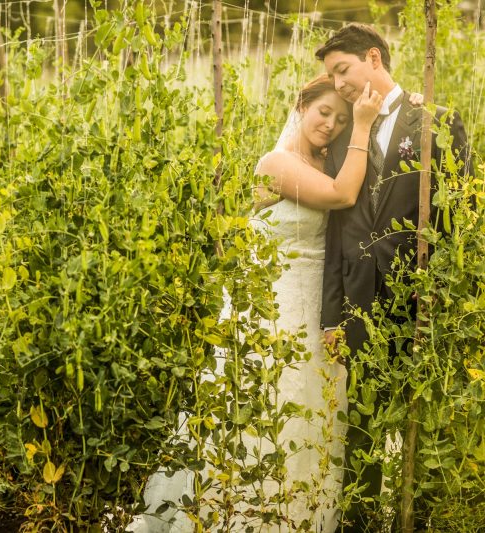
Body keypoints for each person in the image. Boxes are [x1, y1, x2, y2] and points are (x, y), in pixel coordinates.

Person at [130, 74, 416, 533]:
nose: (331, 124)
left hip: (319, 311)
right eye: (325, 112)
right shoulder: (276, 163)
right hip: (273, 306)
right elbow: (343, 196)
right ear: (301, 108)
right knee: (264, 409)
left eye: (341, 119)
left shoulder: (334, 164)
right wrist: (362, 124)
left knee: (316, 418)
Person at [315, 23, 470, 530]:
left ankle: (419, 520)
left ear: (374, 59)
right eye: (331, 76)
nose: (337, 84)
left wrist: (443, 300)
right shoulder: (343, 137)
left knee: (420, 424)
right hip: (359, 298)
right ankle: (358, 523)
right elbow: (337, 233)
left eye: (343, 70)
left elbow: (458, 219)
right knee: (360, 425)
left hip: (417, 297)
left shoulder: (436, 122)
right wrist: (331, 315)